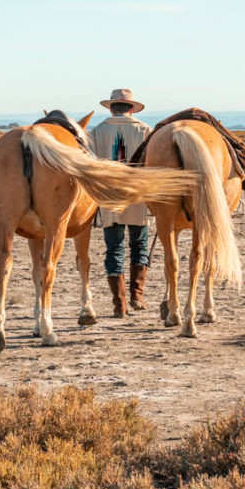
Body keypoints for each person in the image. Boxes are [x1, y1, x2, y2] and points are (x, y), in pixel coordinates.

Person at [89, 88, 151, 317]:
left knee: (114, 249)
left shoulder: (97, 131)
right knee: (139, 246)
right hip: (137, 196)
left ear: (111, 108)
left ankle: (119, 304)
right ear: (131, 109)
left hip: (109, 198)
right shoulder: (144, 130)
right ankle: (137, 295)